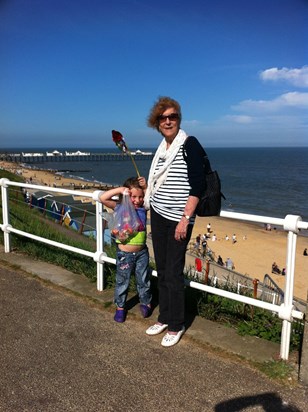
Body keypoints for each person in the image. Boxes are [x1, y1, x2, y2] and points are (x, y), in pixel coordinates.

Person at [144, 96, 205, 347]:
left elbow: (198, 185)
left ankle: (177, 324)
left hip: (179, 218)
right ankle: (164, 317)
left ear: (179, 119)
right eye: (163, 118)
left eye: (173, 116)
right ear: (157, 123)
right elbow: (161, 179)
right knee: (163, 268)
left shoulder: (189, 144)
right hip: (158, 214)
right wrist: (146, 188)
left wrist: (185, 220)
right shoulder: (162, 148)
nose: (168, 121)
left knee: (174, 271)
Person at [98, 177, 152, 323]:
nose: (137, 200)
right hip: (124, 253)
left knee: (143, 279)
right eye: (133, 196)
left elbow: (150, 199)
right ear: (127, 195)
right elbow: (102, 198)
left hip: (142, 252)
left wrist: (145, 186)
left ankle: (146, 303)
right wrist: (120, 190)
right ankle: (120, 307)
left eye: (140, 197)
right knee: (122, 280)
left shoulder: (143, 208)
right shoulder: (119, 207)